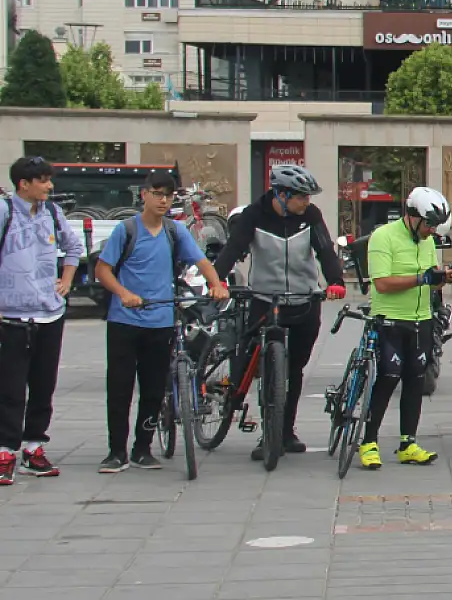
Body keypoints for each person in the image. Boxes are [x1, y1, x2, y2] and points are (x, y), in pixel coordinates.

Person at [94, 170, 227, 472]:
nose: (163, 200)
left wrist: (216, 284)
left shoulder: (175, 231)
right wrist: (124, 293)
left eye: (168, 195)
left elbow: (202, 261)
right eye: (157, 194)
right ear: (144, 195)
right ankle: (116, 451)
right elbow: (102, 271)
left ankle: (143, 448)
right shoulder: (126, 230)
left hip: (161, 320)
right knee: (120, 388)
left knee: (154, 388)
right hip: (124, 321)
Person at [213, 163, 346, 461]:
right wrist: (218, 279)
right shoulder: (254, 215)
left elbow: (325, 250)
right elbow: (234, 248)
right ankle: (264, 429)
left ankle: (286, 431)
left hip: (303, 298)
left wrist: (335, 281)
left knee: (294, 369)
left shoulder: (310, 216)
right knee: (260, 362)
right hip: (265, 298)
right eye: (301, 197)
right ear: (282, 195)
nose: (307, 202)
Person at [358, 187, 452, 468]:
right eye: (429, 224)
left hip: (420, 319)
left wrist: (442, 278)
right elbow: (382, 283)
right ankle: (368, 442)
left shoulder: (427, 241)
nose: (431, 231)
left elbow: (429, 280)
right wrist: (422, 278)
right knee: (389, 376)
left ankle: (408, 443)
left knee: (415, 379)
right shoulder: (383, 237)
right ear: (412, 216)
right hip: (389, 319)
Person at [0, 157, 84, 485]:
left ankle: (34, 446)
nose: (50, 186)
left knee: (43, 386)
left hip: (50, 314)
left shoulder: (52, 212)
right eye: (43, 180)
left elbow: (73, 247)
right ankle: (6, 450)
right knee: (10, 388)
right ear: (24, 183)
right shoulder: (5, 211)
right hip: (11, 316)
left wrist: (66, 280)